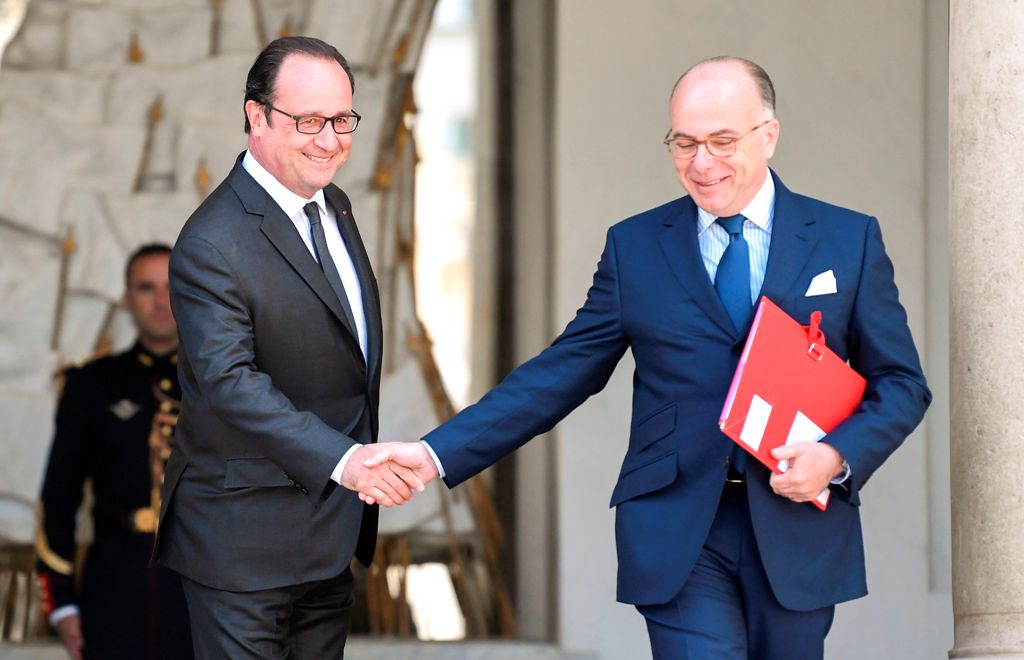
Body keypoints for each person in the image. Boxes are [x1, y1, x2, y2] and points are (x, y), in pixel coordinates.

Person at [369, 56, 932, 659]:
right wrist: (434, 454)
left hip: (799, 528)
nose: (701, 163)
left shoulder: (847, 240)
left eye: (721, 141)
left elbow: (901, 384)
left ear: (768, 135)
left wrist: (836, 457)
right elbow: (559, 375)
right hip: (677, 528)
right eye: (684, 143)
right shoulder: (635, 247)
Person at [155, 36, 423, 659]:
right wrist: (346, 461)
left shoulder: (336, 206)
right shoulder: (211, 241)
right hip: (241, 546)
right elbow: (230, 383)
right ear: (256, 116)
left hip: (328, 535)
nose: (329, 139)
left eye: (341, 120)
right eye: (308, 121)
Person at [35, 243, 193, 660]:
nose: (160, 301)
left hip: (205, 588)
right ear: (127, 300)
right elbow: (59, 496)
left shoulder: (225, 383)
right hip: (113, 585)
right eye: (146, 288)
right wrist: (62, 601)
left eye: (170, 287)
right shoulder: (91, 385)